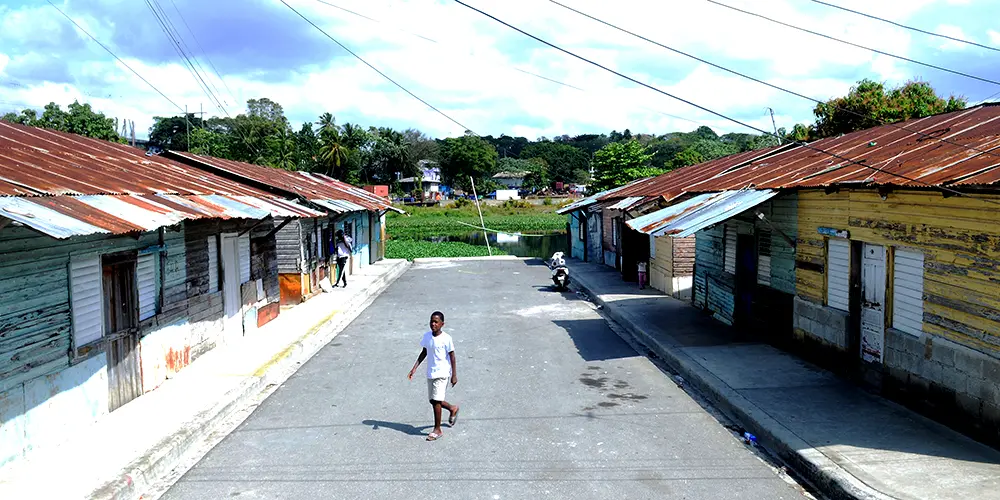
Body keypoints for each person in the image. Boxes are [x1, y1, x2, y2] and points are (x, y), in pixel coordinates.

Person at [408, 311, 459, 441]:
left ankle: (437, 430)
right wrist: (414, 368)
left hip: (442, 373)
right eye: (431, 321)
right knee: (433, 400)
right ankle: (452, 408)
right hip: (431, 372)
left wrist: (454, 375)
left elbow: (452, 357)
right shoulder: (427, 336)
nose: (433, 324)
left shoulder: (446, 338)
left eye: (436, 322)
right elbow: (424, 352)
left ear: (442, 324)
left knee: (436, 401)